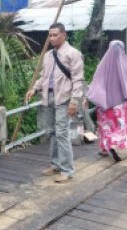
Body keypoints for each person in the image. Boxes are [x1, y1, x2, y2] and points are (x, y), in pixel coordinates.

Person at [25, 22, 85, 183]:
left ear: (64, 35)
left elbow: (78, 80)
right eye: (50, 35)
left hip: (64, 98)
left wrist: (74, 101)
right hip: (48, 96)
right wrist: (35, 89)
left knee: (62, 133)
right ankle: (55, 164)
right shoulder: (48, 55)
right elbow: (44, 76)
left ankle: (67, 169)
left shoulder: (73, 54)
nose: (52, 38)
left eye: (55, 35)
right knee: (51, 132)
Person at [86, 40, 127, 162]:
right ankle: (115, 143)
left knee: (105, 126)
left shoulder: (102, 66)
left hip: (105, 104)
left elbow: (96, 84)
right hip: (121, 105)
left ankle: (105, 148)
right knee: (119, 125)